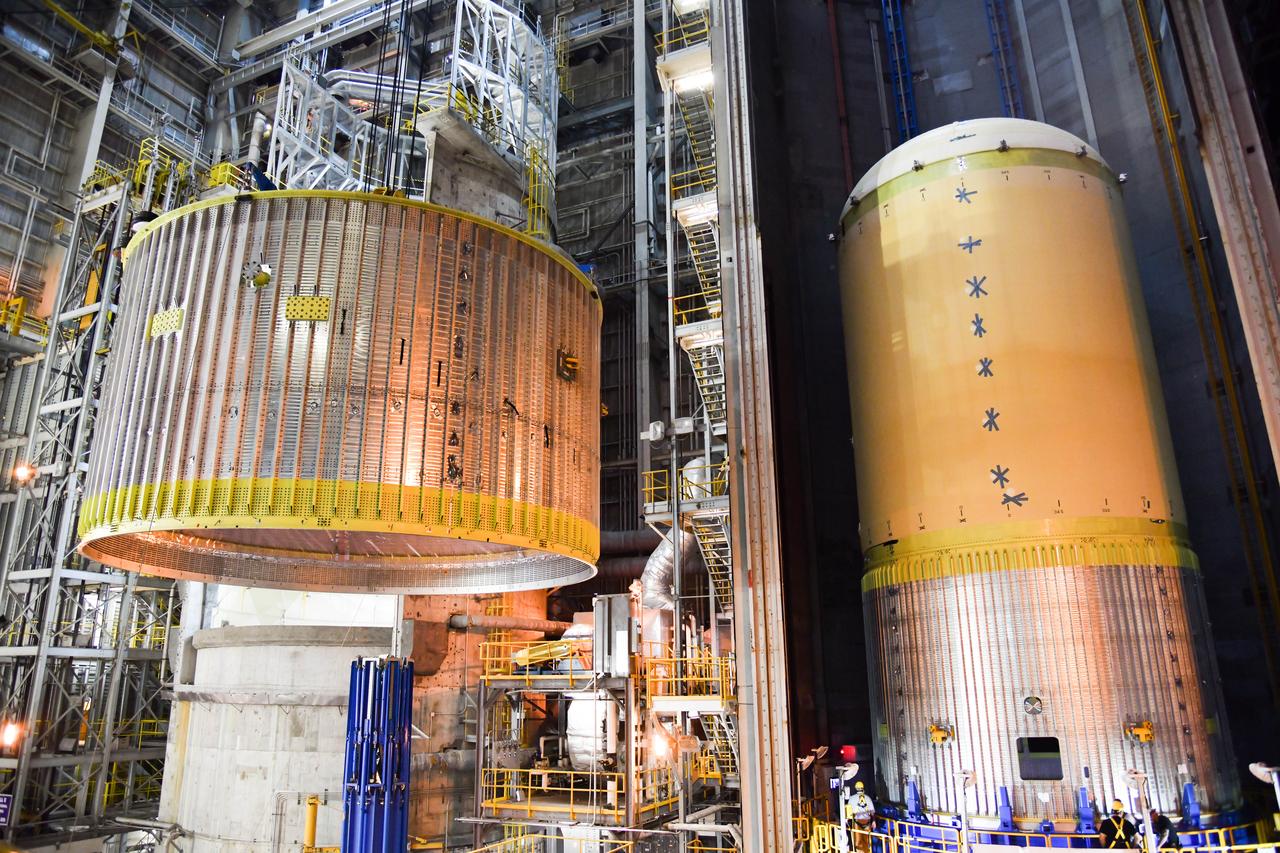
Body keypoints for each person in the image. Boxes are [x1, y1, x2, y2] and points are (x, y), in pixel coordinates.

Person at [847, 780, 875, 853]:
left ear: (856, 788)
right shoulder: (868, 798)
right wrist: (874, 821)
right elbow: (872, 811)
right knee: (867, 841)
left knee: (858, 841)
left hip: (857, 822)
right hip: (867, 821)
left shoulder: (852, 798)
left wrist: (847, 819)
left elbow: (849, 811)